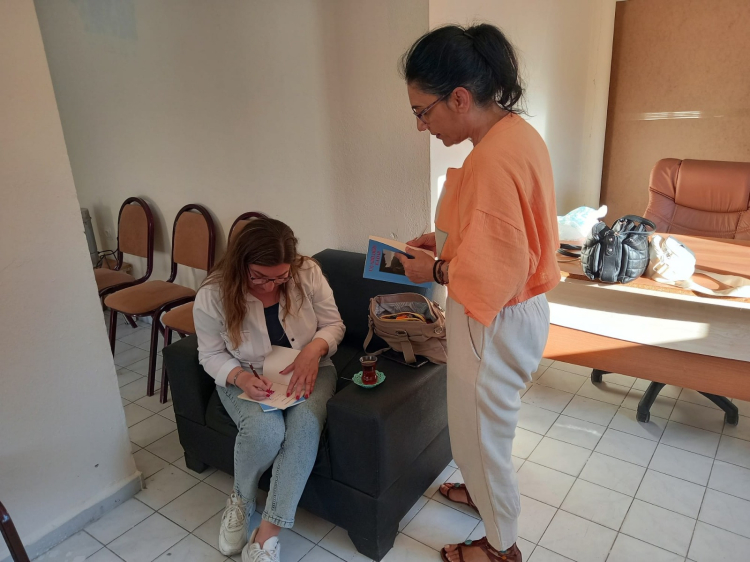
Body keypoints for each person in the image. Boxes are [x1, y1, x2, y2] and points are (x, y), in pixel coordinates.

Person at [395, 24, 560, 562]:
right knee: (490, 425)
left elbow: (500, 267)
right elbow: (502, 229)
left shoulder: (491, 158)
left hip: (493, 316)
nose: (421, 125)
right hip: (516, 312)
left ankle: (500, 547)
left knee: (477, 437)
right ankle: (482, 495)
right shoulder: (515, 133)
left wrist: (437, 268)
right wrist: (444, 242)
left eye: (423, 111)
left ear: (460, 98)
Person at [193, 216, 345, 562]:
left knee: (305, 427)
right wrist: (239, 377)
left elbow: (334, 324)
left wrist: (314, 349)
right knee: (264, 431)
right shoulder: (213, 294)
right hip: (246, 374)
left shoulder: (307, 272)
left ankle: (265, 537)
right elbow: (210, 355)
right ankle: (241, 500)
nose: (269, 286)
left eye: (280, 277)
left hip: (312, 367)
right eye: (259, 277)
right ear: (240, 264)